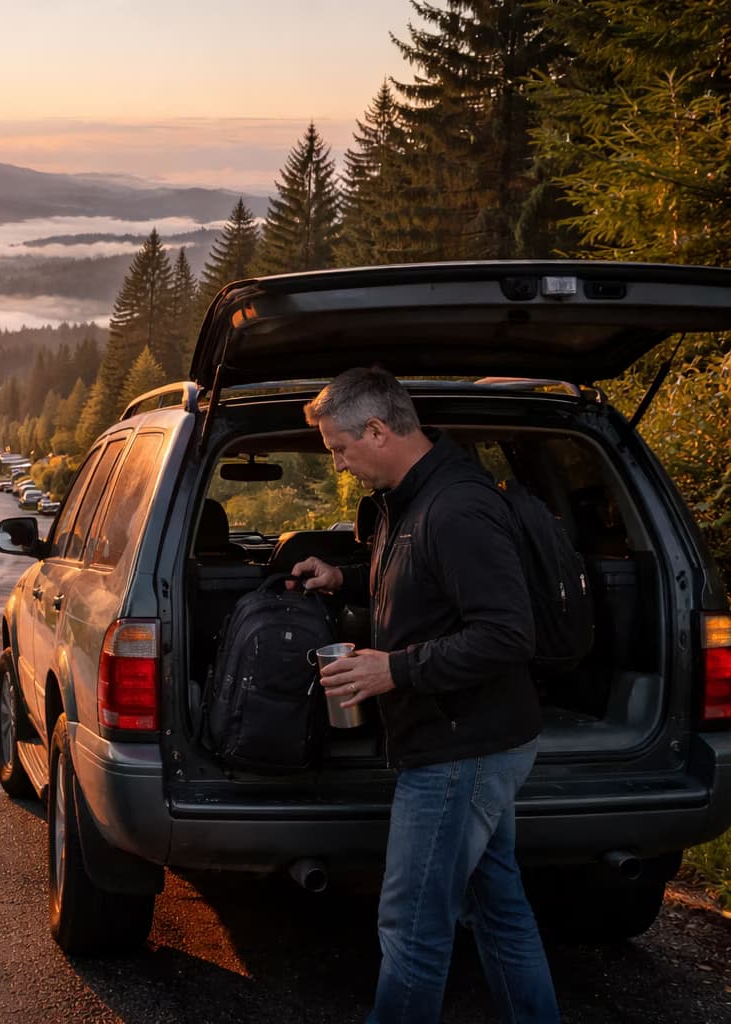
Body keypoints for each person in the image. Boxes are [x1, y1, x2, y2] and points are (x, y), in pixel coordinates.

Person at [289, 367, 559, 1024]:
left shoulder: (458, 507)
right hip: (469, 741)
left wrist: (394, 671)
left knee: (412, 928)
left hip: (461, 748)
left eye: (339, 449)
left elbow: (507, 634)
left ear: (377, 431)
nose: (339, 465)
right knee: (497, 907)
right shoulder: (411, 500)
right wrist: (342, 579)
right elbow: (418, 585)